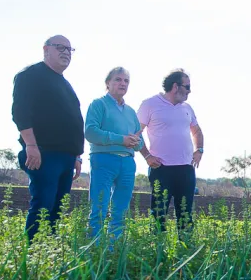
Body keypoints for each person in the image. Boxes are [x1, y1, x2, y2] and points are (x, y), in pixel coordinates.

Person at [11, 35, 85, 242]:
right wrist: (31, 145)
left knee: (56, 210)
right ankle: (32, 252)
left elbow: (72, 120)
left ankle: (47, 250)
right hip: (44, 153)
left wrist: (77, 156)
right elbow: (20, 112)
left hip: (66, 156)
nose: (66, 52)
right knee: (43, 204)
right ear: (46, 49)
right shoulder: (30, 76)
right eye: (60, 47)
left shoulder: (65, 84)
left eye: (69, 49)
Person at [137, 69, 204, 231]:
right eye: (187, 87)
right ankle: (158, 250)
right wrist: (147, 156)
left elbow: (197, 131)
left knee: (185, 213)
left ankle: (185, 250)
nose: (189, 91)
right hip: (161, 169)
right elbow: (136, 133)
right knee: (159, 213)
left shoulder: (187, 108)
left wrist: (199, 150)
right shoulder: (150, 104)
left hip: (186, 169)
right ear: (175, 86)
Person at [85, 67, 144, 240]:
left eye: (126, 81)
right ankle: (94, 250)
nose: (122, 83)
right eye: (118, 79)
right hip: (104, 160)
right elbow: (90, 132)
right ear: (108, 83)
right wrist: (121, 140)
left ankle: (114, 250)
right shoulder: (98, 104)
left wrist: (135, 142)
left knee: (120, 210)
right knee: (99, 208)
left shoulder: (131, 112)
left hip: (127, 163)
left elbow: (139, 141)